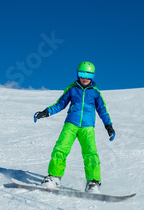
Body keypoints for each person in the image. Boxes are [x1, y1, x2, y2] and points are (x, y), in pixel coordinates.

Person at [34, 61, 115, 193]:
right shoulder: (72, 89)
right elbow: (60, 104)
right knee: (60, 149)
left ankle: (93, 182)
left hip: (87, 128)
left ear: (93, 77)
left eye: (88, 75)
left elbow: (102, 110)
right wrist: (46, 112)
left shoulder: (95, 92)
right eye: (82, 74)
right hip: (71, 124)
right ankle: (54, 178)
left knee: (90, 153)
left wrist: (108, 126)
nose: (85, 78)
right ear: (77, 74)